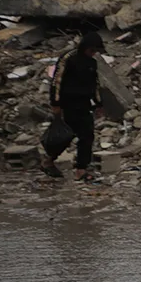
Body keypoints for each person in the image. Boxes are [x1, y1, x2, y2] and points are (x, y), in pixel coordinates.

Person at [43, 32, 104, 181]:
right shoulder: (69, 58)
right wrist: (56, 103)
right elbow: (57, 81)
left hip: (83, 104)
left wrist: (98, 103)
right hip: (67, 104)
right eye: (92, 50)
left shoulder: (92, 63)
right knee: (65, 136)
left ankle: (81, 169)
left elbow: (94, 85)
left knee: (87, 135)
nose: (93, 53)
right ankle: (48, 161)